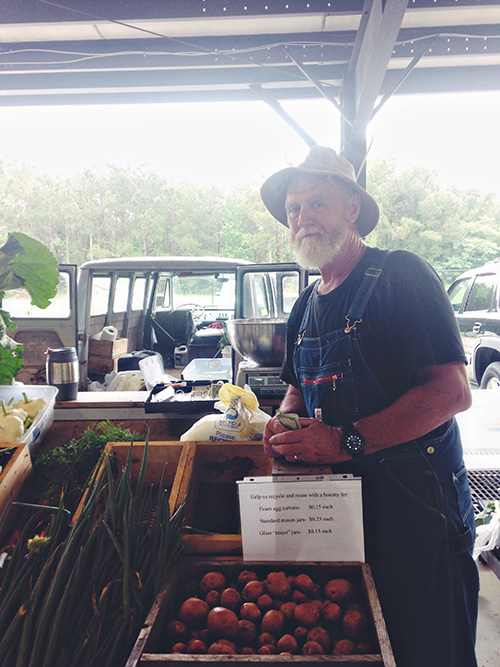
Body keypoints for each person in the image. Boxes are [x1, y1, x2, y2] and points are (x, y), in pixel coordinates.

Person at [260, 145, 479, 667]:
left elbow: (451, 391)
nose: (303, 218)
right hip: (340, 513)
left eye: (317, 203)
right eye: (294, 209)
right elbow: (298, 389)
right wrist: (283, 424)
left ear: (352, 208)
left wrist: (342, 441)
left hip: (417, 509)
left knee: (431, 649)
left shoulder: (400, 275)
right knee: (364, 647)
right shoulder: (306, 304)